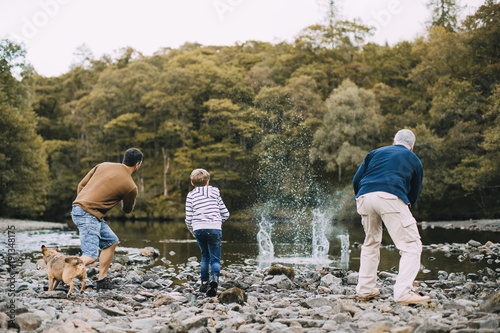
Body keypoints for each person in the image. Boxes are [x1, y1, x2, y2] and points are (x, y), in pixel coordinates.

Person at [352, 129, 431, 306]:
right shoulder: (414, 160)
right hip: (391, 197)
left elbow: (356, 180)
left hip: (364, 196)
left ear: (394, 141)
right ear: (412, 147)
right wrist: (403, 207)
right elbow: (413, 193)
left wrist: (363, 197)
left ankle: (364, 290)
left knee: (371, 243)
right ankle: (403, 293)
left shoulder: (375, 153)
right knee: (411, 246)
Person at [71, 148, 143, 290]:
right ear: (138, 164)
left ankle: (101, 280)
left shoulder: (103, 165)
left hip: (81, 209)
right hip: (89, 214)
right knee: (90, 255)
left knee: (111, 242)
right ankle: (63, 276)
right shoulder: (130, 186)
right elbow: (127, 210)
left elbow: (81, 185)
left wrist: (83, 202)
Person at [185, 169, 230, 297]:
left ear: (192, 183)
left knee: (205, 255)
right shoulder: (215, 193)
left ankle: (204, 283)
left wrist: (192, 229)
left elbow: (188, 217)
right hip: (214, 227)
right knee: (215, 258)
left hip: (198, 228)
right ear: (208, 181)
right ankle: (214, 279)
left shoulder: (191, 195)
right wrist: (217, 222)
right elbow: (225, 213)